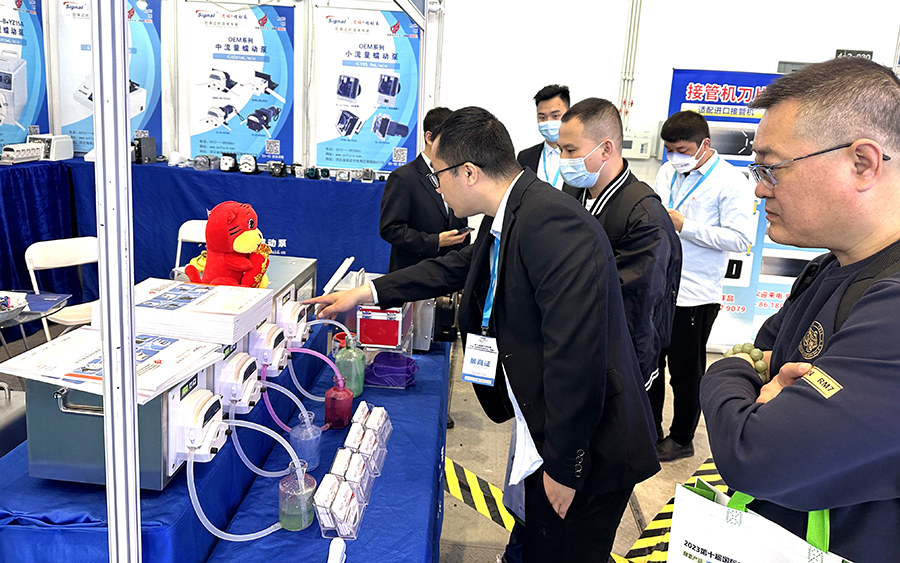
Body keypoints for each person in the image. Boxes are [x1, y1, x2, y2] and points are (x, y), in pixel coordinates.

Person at [307, 107, 659, 561]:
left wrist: (564, 467)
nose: (437, 188)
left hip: (588, 449)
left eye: (438, 175)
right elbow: (458, 266)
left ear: (469, 172)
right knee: (532, 539)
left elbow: (577, 359)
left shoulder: (552, 223)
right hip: (543, 424)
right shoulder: (511, 211)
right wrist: (367, 292)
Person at [700, 57, 900, 562]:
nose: (759, 186)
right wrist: (756, 375)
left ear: (863, 163)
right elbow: (764, 351)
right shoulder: (826, 270)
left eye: (772, 167)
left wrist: (724, 370)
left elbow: (755, 455)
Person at [649, 110, 756, 462]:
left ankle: (682, 439)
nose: (674, 157)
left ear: (704, 144)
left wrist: (686, 226)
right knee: (650, 365)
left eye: (681, 150)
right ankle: (649, 431)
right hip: (659, 287)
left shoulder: (730, 182)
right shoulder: (667, 171)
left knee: (685, 373)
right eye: (669, 150)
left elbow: (740, 239)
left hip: (696, 294)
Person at [558, 97, 681, 392]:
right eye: (560, 149)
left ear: (606, 149)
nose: (563, 158)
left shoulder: (644, 215)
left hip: (620, 361)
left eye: (571, 150)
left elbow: (633, 306)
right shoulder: (574, 191)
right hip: (576, 346)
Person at [379, 106, 470, 272]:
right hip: (412, 273)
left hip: (450, 272)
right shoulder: (403, 177)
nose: (455, 144)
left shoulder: (456, 173)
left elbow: (459, 220)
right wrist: (435, 241)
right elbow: (391, 229)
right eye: (450, 138)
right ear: (429, 137)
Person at [516, 84, 578, 196]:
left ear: (569, 114)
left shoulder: (581, 156)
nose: (548, 122)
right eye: (542, 117)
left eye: (555, 116)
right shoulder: (525, 157)